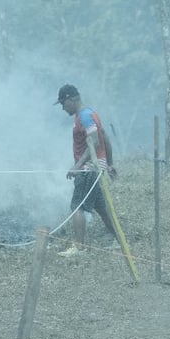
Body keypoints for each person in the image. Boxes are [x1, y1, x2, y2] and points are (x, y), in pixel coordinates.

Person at [55, 84, 118, 257]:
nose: (62, 107)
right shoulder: (91, 114)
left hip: (88, 168)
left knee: (77, 207)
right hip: (96, 166)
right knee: (100, 206)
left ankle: (79, 248)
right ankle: (118, 240)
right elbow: (105, 137)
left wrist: (77, 166)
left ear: (72, 98)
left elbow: (96, 141)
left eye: (63, 102)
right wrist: (109, 163)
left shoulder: (84, 116)